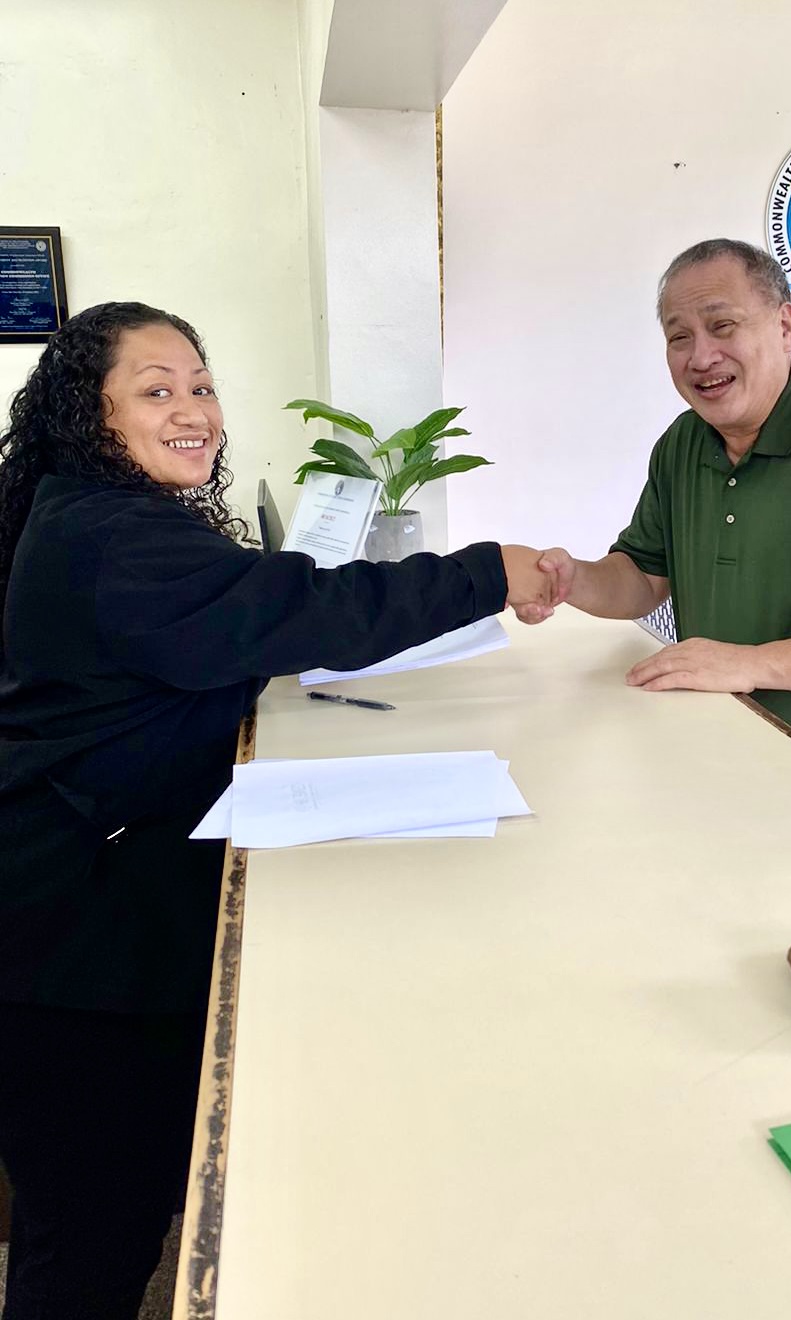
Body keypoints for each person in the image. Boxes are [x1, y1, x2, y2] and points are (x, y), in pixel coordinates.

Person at [0, 301, 550, 1319]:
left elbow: (249, 618)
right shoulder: (117, 539)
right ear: (91, 412)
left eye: (201, 386)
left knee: (97, 1211)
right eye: (155, 391)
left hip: (84, 908)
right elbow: (305, 610)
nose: (193, 411)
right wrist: (492, 572)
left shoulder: (97, 512)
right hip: (72, 949)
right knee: (87, 1237)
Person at [516, 238, 791, 829]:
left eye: (722, 325)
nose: (700, 356)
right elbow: (644, 575)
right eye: (679, 336)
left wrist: (750, 664)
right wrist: (576, 579)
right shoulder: (683, 443)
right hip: (728, 756)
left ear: (785, 326)